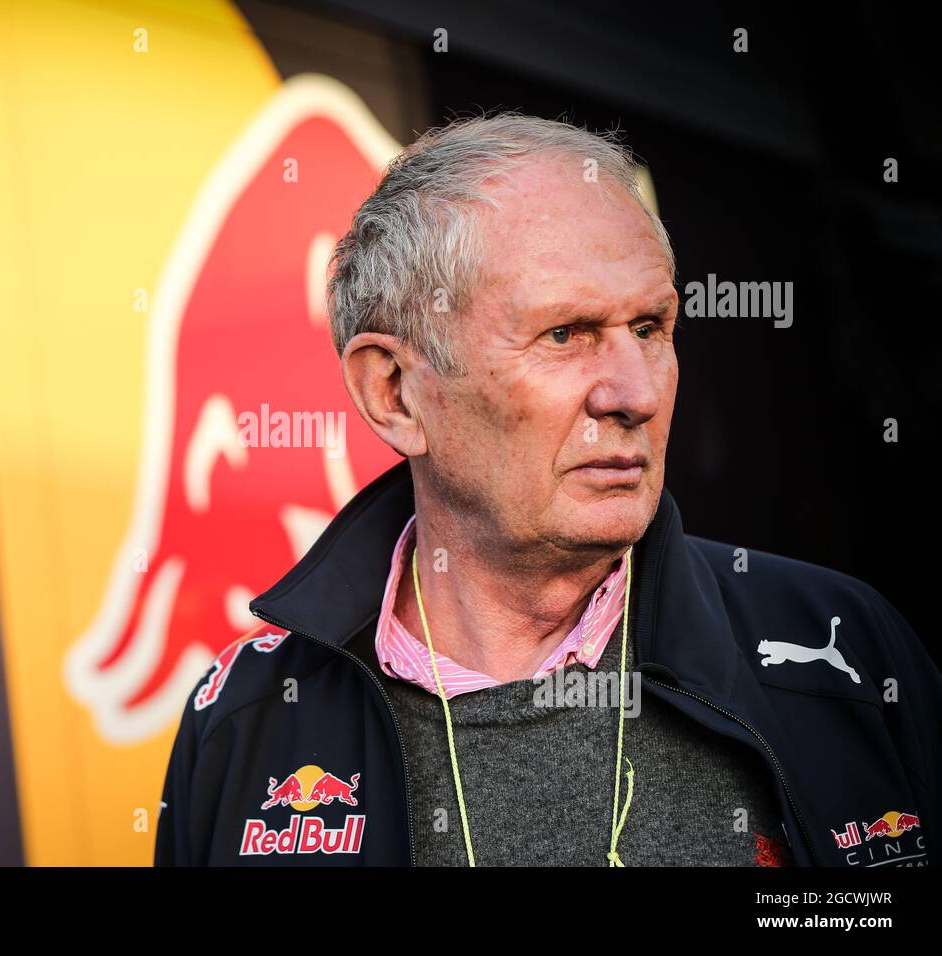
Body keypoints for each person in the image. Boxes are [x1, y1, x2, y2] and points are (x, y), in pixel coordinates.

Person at [154, 114, 940, 866]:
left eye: (650, 328)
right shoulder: (248, 717)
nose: (636, 394)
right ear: (394, 392)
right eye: (565, 335)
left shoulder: (846, 652)